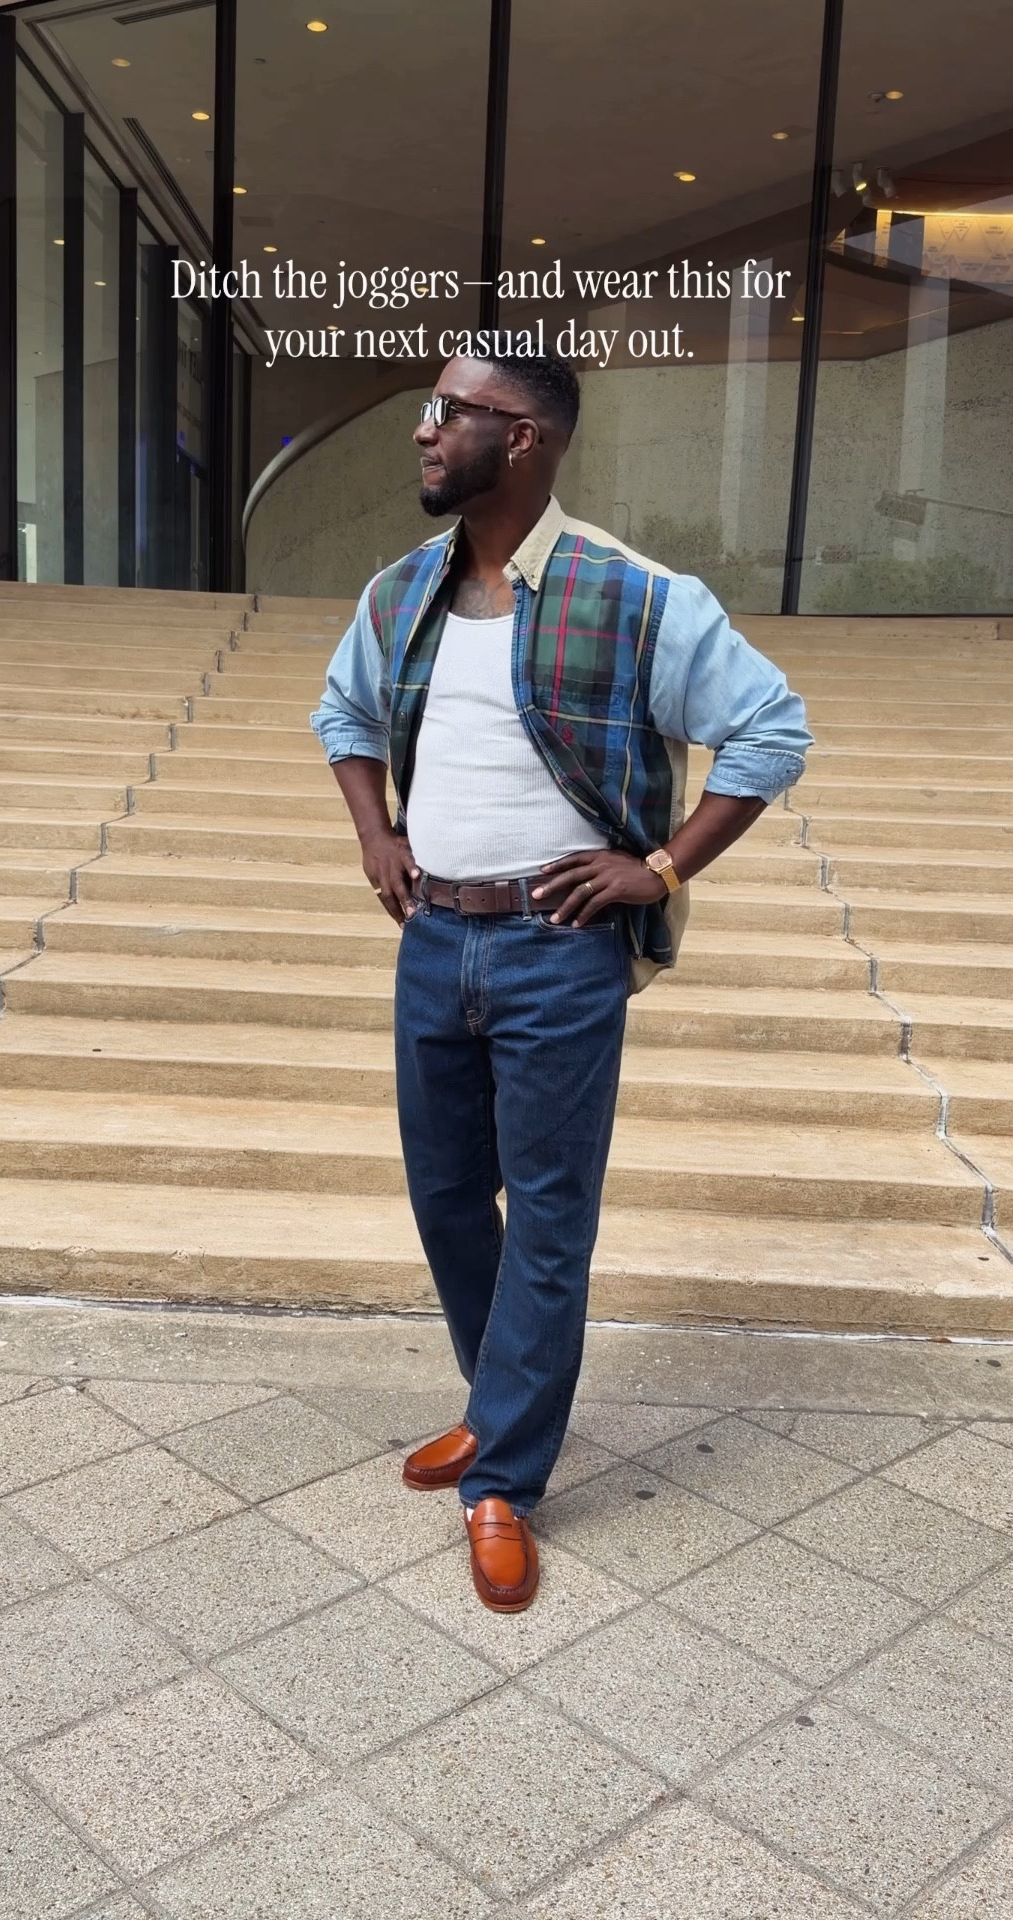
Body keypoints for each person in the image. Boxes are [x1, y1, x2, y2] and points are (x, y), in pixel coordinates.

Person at [311, 349, 811, 1613]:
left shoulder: (636, 596)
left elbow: (771, 729)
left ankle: (506, 1480)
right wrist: (376, 834)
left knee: (547, 1216)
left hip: (558, 949)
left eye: (449, 413)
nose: (424, 432)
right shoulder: (405, 591)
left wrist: (660, 866)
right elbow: (345, 717)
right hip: (435, 939)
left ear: (523, 438)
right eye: (428, 410)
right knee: (441, 1196)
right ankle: (500, 1412)